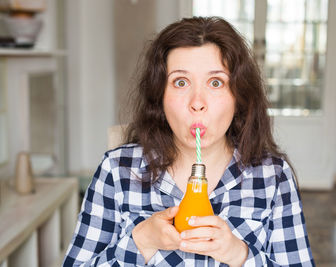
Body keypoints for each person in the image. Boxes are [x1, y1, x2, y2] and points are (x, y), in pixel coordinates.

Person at [63, 17, 314, 266]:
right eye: (181, 82)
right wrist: (141, 241)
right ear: (159, 95)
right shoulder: (117, 171)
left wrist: (239, 255)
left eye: (216, 82)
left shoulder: (273, 177)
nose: (197, 102)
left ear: (239, 96)